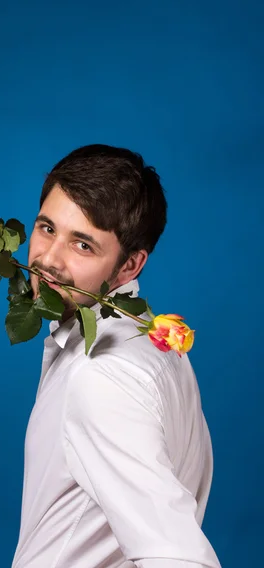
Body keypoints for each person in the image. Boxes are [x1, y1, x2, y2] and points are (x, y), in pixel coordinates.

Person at [11, 144, 221, 568]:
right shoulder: (158, 346)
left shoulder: (102, 376)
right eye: (47, 228)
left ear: (129, 266)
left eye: (83, 245)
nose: (48, 260)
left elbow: (179, 556)